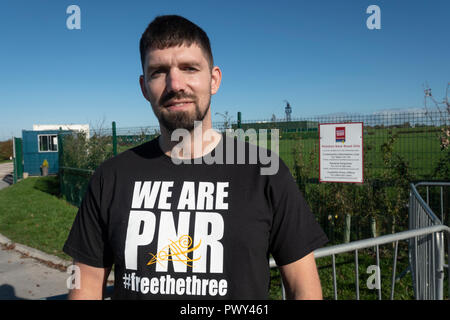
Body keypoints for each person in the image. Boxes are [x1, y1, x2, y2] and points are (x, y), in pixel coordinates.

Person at [63, 14, 328, 300]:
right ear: (143, 87)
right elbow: (86, 285)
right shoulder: (111, 177)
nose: (175, 84)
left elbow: (304, 285)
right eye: (158, 72)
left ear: (214, 80)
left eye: (189, 68)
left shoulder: (265, 172)